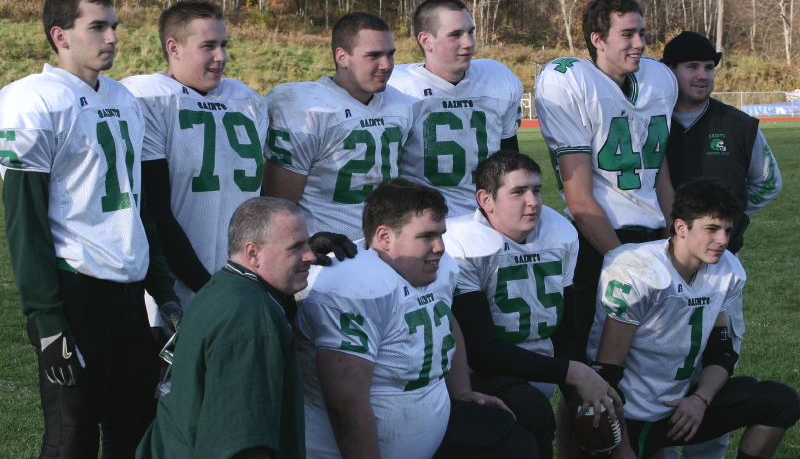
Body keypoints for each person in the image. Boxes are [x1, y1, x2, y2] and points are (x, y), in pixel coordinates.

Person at [0, 0, 180, 458]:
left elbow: (136, 210)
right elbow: (25, 223)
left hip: (129, 293)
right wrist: (46, 318)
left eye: (114, 26)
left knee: (134, 428)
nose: (112, 37)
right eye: (97, 26)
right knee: (71, 435)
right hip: (75, 291)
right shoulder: (33, 101)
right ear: (60, 36)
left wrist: (162, 291)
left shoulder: (122, 97)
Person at [295, 178, 538, 459]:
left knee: (519, 438)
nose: (440, 248)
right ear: (385, 237)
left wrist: (460, 392)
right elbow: (347, 405)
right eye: (425, 237)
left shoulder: (436, 267)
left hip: (428, 427)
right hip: (345, 449)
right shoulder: (353, 287)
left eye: (440, 235)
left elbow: (444, 320)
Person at [587, 179, 800, 459]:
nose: (723, 240)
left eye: (726, 230)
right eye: (711, 229)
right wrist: (622, 447)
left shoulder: (726, 271)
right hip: (631, 415)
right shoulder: (636, 270)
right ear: (681, 227)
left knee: (780, 401)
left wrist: (701, 398)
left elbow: (721, 351)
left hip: (681, 406)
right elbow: (607, 374)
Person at [444, 150, 622, 459]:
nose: (533, 201)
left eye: (536, 190)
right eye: (518, 192)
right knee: (533, 413)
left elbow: (565, 333)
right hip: (476, 373)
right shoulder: (461, 242)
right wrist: (575, 374)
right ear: (486, 200)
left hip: (539, 365)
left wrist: (581, 392)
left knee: (606, 404)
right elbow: (481, 350)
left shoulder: (560, 234)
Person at [661, 31, 783, 459]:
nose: (702, 76)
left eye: (709, 68)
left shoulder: (738, 125)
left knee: (715, 364)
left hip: (718, 272)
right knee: (657, 367)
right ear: (668, 71)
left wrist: (726, 226)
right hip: (659, 271)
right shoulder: (646, 120)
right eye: (691, 67)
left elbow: (768, 184)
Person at [534, 0, 678, 354]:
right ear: (598, 40)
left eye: (642, 33)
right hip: (599, 240)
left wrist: (672, 243)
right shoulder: (569, 80)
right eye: (627, 34)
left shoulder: (658, 79)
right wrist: (625, 262)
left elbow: (659, 173)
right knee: (590, 361)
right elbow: (578, 195)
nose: (640, 43)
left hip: (653, 237)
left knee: (649, 353)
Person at [121, 0, 271, 328]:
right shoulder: (151, 99)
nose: (221, 57)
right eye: (208, 46)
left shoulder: (246, 101)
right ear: (173, 47)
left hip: (245, 279)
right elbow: (157, 211)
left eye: (223, 45)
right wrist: (209, 289)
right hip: (180, 284)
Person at [137, 197, 315, 458]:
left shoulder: (221, 288)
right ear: (253, 253)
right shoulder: (251, 320)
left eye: (308, 244)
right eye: (296, 247)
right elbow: (239, 442)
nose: (310, 256)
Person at [263, 12, 415, 239]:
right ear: (342, 57)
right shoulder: (306, 108)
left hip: (383, 250)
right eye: (373, 55)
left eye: (390, 54)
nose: (386, 65)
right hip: (325, 253)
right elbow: (278, 207)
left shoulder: (400, 104)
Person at [388, 0, 523, 218]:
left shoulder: (497, 78)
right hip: (425, 220)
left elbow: (511, 160)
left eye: (470, 32)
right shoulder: (397, 88)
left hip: (488, 219)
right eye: (455, 35)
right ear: (426, 40)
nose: (468, 42)